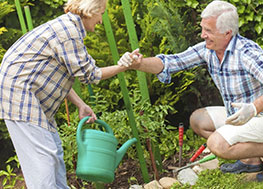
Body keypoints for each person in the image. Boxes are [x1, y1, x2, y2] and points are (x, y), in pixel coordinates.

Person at [118, 0, 263, 181]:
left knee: (217, 144)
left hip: (259, 116)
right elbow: (171, 62)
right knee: (198, 120)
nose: (202, 35)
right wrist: (138, 63)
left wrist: (253, 108)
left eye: (208, 31)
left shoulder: (246, 53)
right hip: (239, 115)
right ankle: (251, 161)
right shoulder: (208, 50)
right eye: (203, 29)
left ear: (227, 33)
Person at [0, 0, 130, 188]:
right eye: (101, 13)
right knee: (43, 159)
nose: (101, 20)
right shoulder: (68, 31)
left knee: (55, 152)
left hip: (30, 95)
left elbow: (57, 74)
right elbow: (90, 75)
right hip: (19, 94)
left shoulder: (69, 28)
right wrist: (124, 66)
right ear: (90, 10)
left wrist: (80, 104)